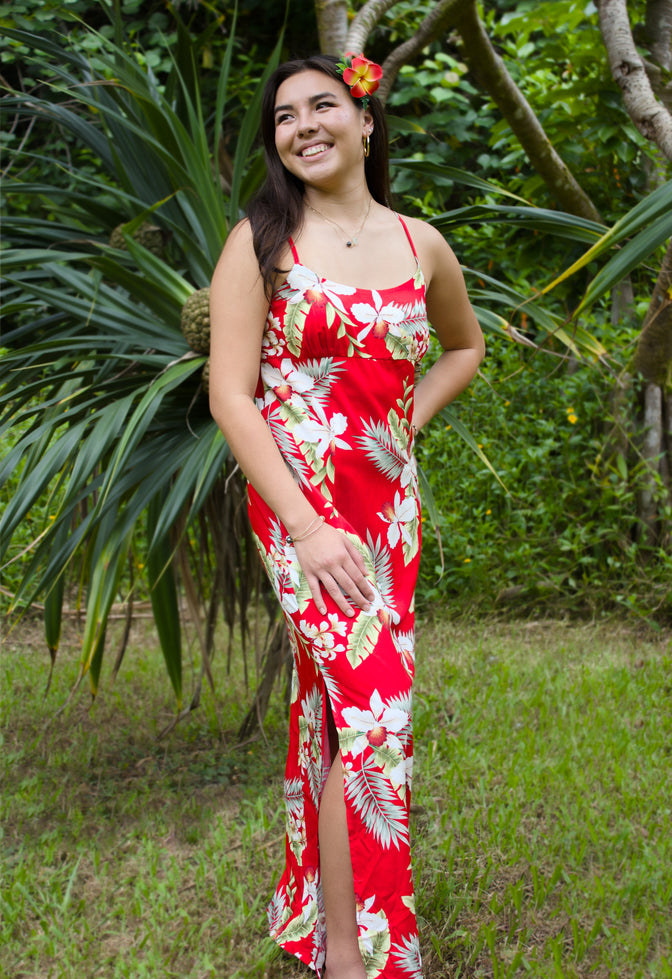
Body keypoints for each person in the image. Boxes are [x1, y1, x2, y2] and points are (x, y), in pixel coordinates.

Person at [209, 51, 484, 979]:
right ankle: (353, 955)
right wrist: (309, 527)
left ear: (367, 123)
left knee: (338, 713)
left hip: (386, 511)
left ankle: (324, 930)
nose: (303, 126)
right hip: (301, 513)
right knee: (376, 716)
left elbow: (464, 345)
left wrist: (407, 418)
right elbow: (231, 398)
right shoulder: (259, 242)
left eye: (323, 105)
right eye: (285, 118)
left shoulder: (421, 243)